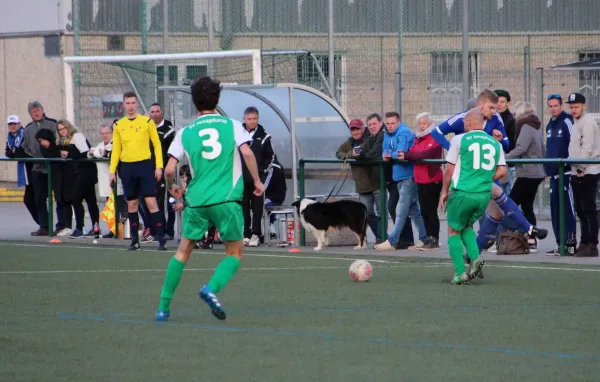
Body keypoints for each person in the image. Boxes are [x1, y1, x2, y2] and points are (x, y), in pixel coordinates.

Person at [155, 76, 265, 321]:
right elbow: (246, 152)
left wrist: (173, 188)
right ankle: (210, 288)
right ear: (218, 99)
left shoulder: (185, 132)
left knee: (183, 251)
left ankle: (163, 308)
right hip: (226, 200)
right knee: (235, 253)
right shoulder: (232, 125)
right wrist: (257, 181)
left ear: (194, 103)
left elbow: (170, 168)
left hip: (197, 201)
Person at [431, 89, 547, 252]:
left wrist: (500, 141)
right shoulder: (464, 120)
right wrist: (453, 151)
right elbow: (436, 133)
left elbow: (506, 145)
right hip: (469, 178)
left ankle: (474, 256)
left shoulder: (495, 120)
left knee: (497, 212)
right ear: (480, 105)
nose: (495, 110)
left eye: (496, 107)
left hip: (484, 175)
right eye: (492, 107)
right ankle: (525, 228)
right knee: (466, 223)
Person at [439, 108, 507, 284]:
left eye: (464, 123)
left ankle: (460, 273)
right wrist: (483, 179)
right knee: (467, 226)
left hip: (463, 193)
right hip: (483, 194)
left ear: (468, 123)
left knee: (453, 231)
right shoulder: (495, 143)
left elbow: (449, 169)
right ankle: (475, 258)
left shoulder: (459, 139)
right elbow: (502, 170)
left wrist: (445, 191)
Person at [109, 92, 166, 251]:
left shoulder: (147, 121)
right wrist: (112, 171)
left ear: (137, 104)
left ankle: (161, 239)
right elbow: (116, 150)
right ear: (123, 105)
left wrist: (159, 166)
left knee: (150, 202)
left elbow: (156, 145)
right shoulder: (119, 125)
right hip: (127, 167)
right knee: (132, 203)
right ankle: (135, 240)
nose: (131, 106)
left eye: (133, 103)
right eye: (128, 103)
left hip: (145, 166)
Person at [374, 112, 427, 251]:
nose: (390, 126)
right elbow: (384, 149)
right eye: (388, 123)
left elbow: (401, 152)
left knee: (401, 209)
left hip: (408, 176)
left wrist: (389, 155)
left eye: (393, 123)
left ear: (398, 122)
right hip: (398, 176)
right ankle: (424, 238)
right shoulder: (386, 133)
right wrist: (388, 154)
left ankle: (392, 240)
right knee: (414, 210)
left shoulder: (404, 133)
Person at [399, 112, 443, 250]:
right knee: (423, 210)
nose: (421, 126)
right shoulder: (418, 138)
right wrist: (407, 154)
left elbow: (424, 153)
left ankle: (434, 239)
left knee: (431, 211)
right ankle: (427, 239)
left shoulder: (435, 137)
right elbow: (414, 152)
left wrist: (407, 155)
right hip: (421, 179)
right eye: (419, 123)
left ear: (430, 123)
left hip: (432, 179)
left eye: (424, 123)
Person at [506, 102, 545, 251]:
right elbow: (542, 149)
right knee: (527, 206)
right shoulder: (535, 128)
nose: (514, 115)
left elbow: (521, 148)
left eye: (516, 112)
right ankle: (531, 239)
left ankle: (523, 233)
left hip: (528, 174)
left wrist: (505, 157)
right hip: (535, 173)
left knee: (510, 203)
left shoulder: (526, 127)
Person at [566, 92, 600, 257]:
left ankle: (592, 244)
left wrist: (580, 169)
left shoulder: (587, 122)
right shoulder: (576, 122)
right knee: (580, 210)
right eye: (571, 107)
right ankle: (584, 241)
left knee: (589, 209)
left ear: (583, 106)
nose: (573, 110)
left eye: (576, 106)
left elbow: (587, 147)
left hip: (587, 172)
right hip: (577, 171)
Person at [336, 118, 380, 239]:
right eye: (353, 129)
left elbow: (363, 151)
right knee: (369, 213)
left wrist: (354, 154)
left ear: (363, 128)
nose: (355, 132)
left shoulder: (371, 138)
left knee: (382, 213)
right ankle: (380, 237)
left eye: (357, 129)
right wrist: (350, 155)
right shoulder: (350, 141)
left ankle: (385, 239)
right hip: (362, 184)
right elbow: (339, 153)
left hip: (377, 181)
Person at [544, 94, 576, 255]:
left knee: (568, 210)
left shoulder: (567, 121)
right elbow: (549, 149)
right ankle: (560, 244)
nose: (553, 108)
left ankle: (570, 244)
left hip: (566, 173)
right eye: (550, 106)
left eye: (556, 105)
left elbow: (574, 142)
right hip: (553, 175)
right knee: (555, 211)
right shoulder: (550, 125)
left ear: (561, 106)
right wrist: (546, 169)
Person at [241, 106, 274, 247]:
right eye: (249, 119)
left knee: (257, 207)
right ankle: (245, 234)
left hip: (257, 179)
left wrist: (262, 170)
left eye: (254, 119)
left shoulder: (264, 135)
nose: (252, 121)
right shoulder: (238, 133)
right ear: (244, 119)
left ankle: (256, 234)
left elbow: (270, 156)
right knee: (243, 207)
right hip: (241, 178)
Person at [22, 101, 57, 236]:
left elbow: (58, 143)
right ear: (30, 114)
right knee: (39, 198)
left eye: (37, 110)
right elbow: (25, 147)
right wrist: (34, 156)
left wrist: (50, 153)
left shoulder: (52, 125)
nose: (36, 113)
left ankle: (63, 226)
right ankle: (44, 226)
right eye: (33, 111)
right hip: (37, 168)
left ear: (42, 110)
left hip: (52, 167)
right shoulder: (28, 129)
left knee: (60, 198)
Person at [4, 115, 38, 227]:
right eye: (10, 124)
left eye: (15, 124)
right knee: (30, 199)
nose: (12, 126)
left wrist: (15, 152)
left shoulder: (24, 134)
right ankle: (43, 224)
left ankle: (44, 224)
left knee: (32, 199)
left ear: (19, 124)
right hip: (25, 170)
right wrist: (14, 152)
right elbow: (8, 153)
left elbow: (21, 153)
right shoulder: (10, 137)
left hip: (33, 169)